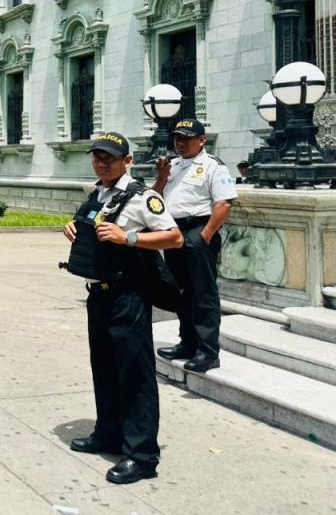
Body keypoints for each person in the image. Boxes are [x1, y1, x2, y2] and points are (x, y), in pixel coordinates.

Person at [63, 132, 183, 485]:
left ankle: (142, 455)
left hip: (128, 295)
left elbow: (174, 237)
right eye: (97, 157)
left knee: (134, 374)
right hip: (98, 294)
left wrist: (128, 237)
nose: (102, 164)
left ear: (127, 161)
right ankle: (109, 433)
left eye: (110, 158)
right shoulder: (97, 194)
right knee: (104, 367)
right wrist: (72, 227)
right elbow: (90, 229)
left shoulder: (143, 197)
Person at [153, 119, 237, 374]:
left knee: (203, 292)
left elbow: (224, 202)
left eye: (187, 138)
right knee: (181, 291)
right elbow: (155, 198)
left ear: (202, 140)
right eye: (177, 138)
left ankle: (208, 352)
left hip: (198, 228)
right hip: (174, 230)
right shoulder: (172, 166)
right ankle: (187, 343)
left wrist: (206, 235)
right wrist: (162, 176)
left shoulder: (213, 166)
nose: (180, 143)